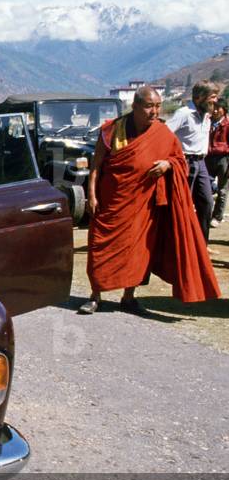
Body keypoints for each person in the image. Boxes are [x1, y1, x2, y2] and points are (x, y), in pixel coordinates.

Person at [79, 86, 219, 315]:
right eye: (148, 106)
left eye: (157, 106)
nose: (154, 111)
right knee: (99, 247)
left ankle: (129, 297)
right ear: (135, 106)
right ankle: (95, 296)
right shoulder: (111, 130)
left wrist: (167, 165)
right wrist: (92, 195)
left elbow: (179, 160)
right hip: (111, 202)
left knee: (139, 251)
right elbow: (96, 166)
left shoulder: (162, 133)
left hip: (143, 204)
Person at [166, 82, 217, 240]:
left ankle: (201, 245)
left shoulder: (206, 115)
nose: (215, 101)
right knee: (182, 205)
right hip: (185, 162)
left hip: (201, 163)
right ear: (199, 97)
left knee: (207, 203)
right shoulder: (184, 113)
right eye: (212, 97)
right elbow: (165, 133)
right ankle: (178, 243)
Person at [207, 97, 229, 227]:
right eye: (213, 108)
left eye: (218, 108)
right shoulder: (207, 122)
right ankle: (206, 212)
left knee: (223, 190)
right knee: (206, 187)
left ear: (224, 110)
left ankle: (217, 217)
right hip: (208, 158)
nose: (215, 111)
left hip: (224, 159)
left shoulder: (227, 125)